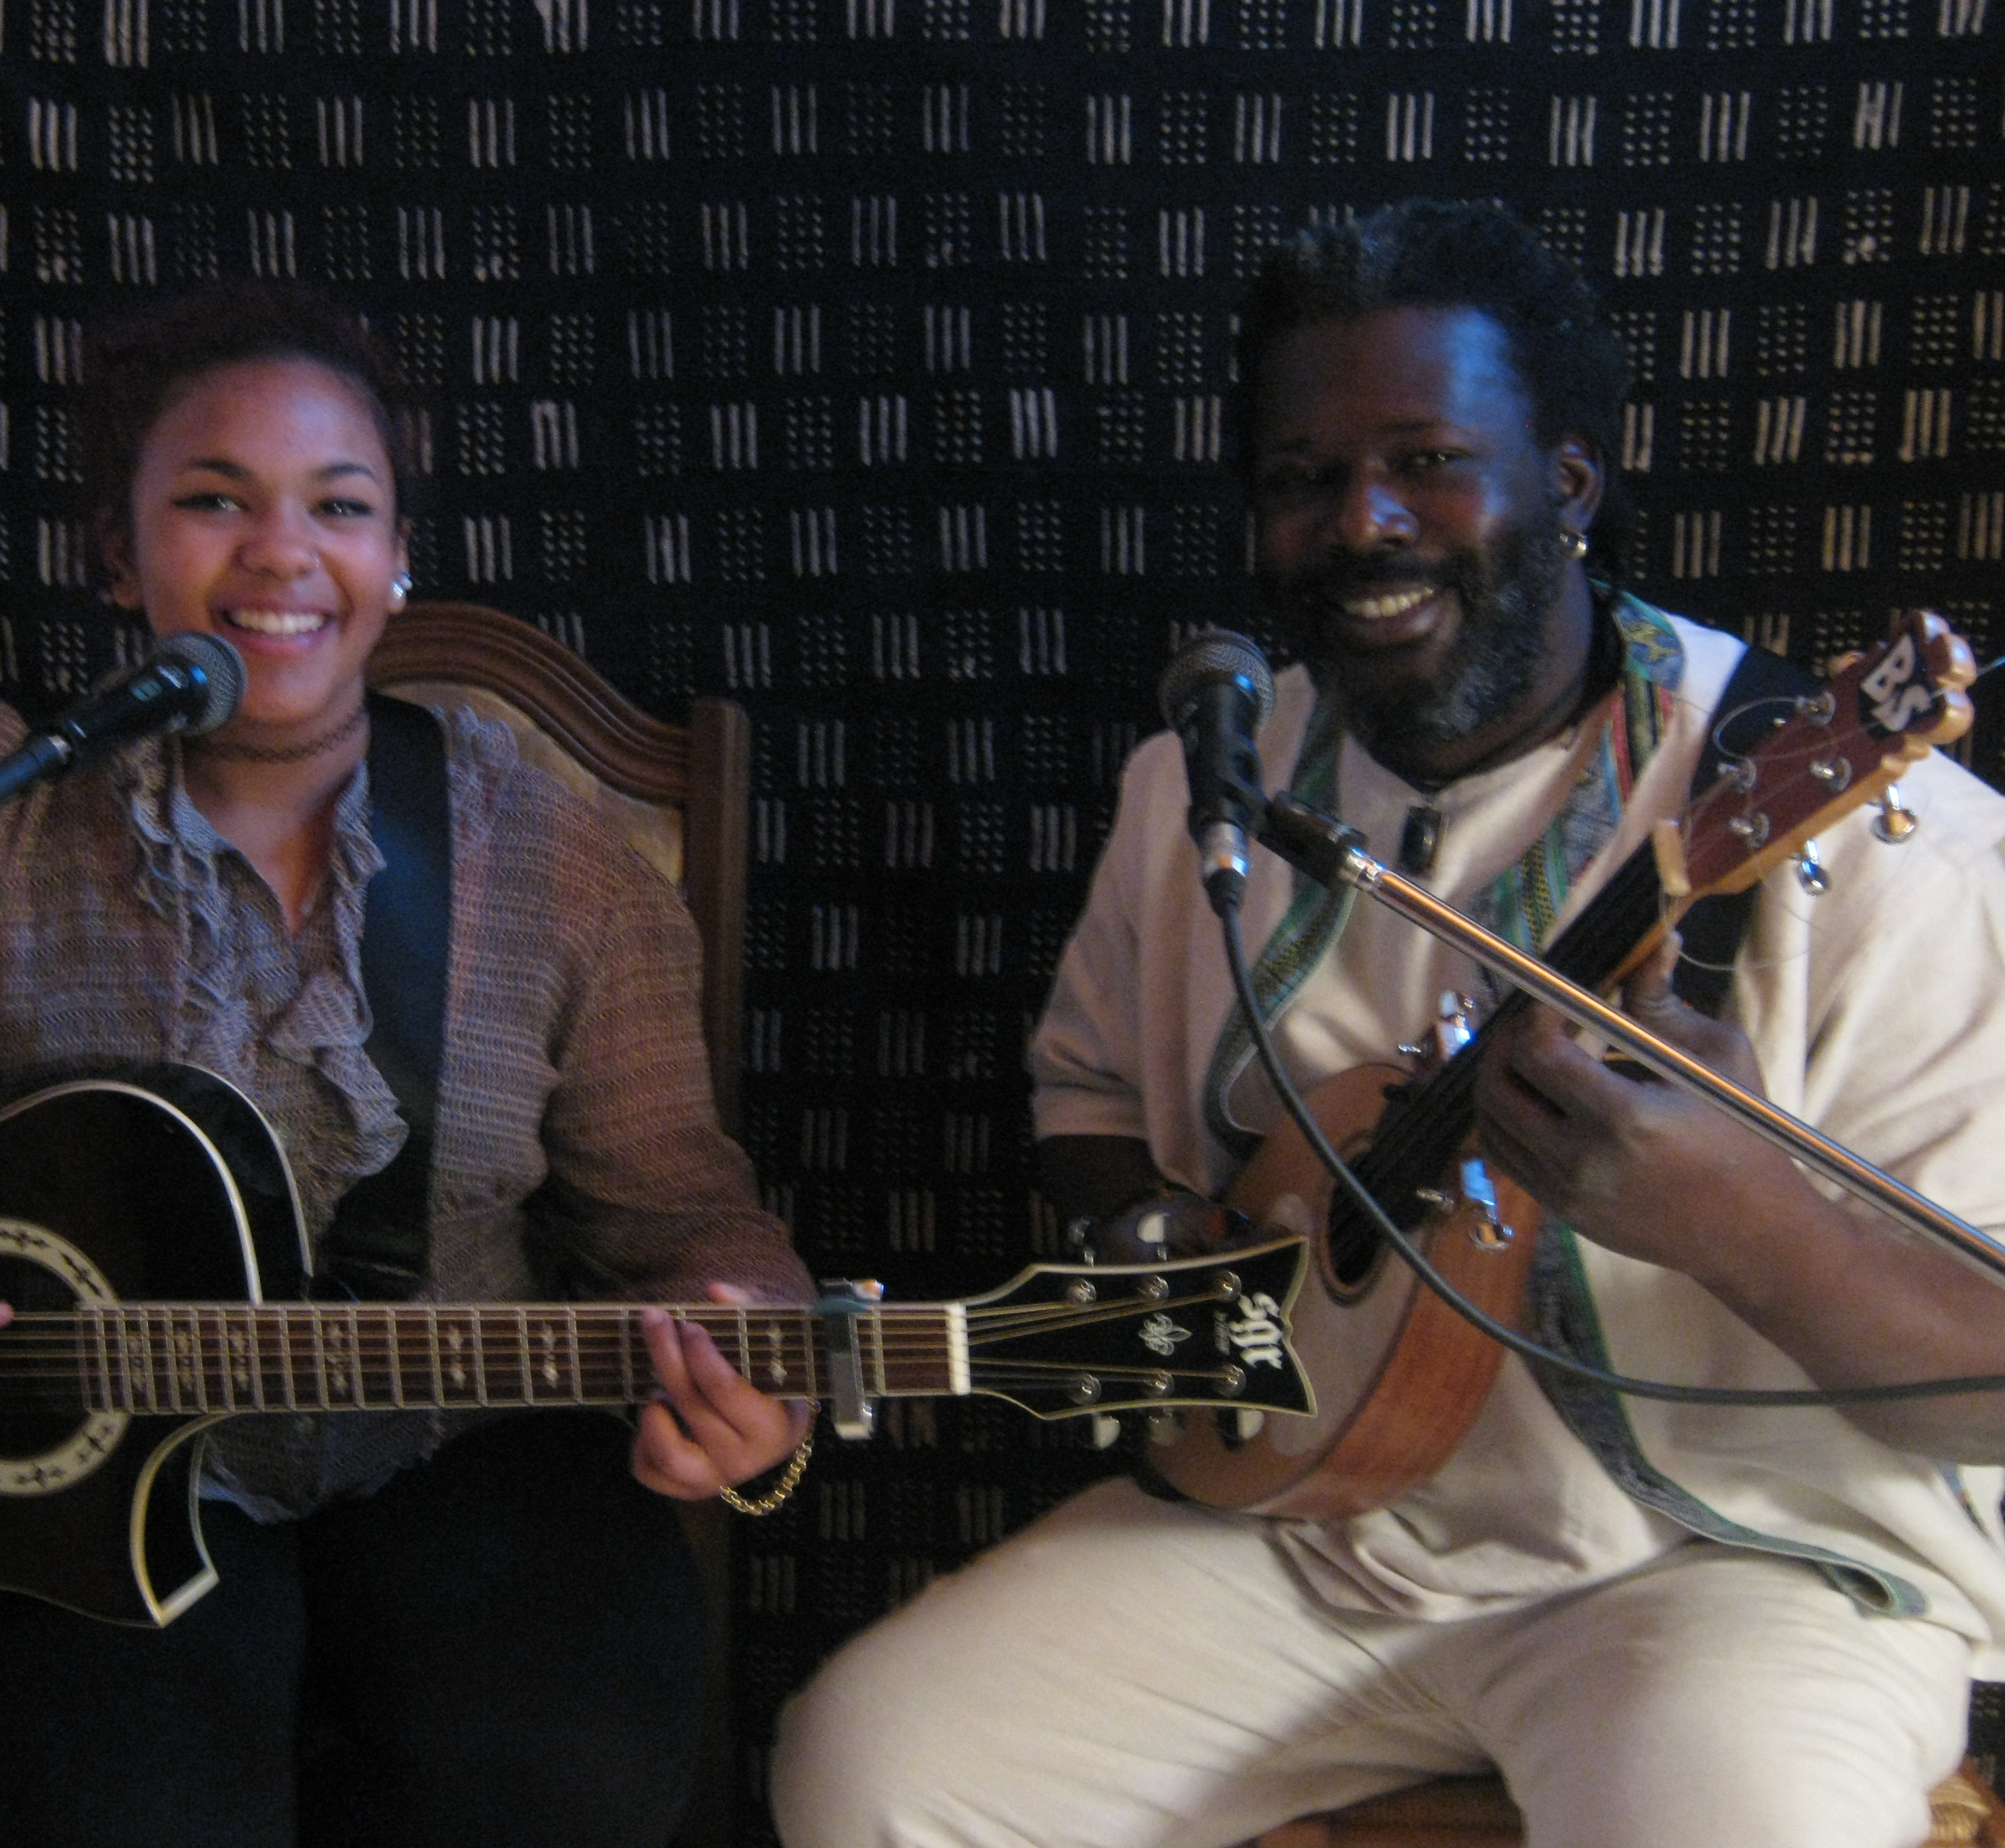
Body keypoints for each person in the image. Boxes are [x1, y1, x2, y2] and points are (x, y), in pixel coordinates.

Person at [772, 200, 2005, 1848]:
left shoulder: (1871, 840)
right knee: (872, 1769)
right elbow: (1085, 1098)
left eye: (1429, 461)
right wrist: (1157, 1244)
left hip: (1737, 1565)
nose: (1362, 521)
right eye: (1303, 478)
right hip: (1303, 1530)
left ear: (1570, 484)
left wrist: (1752, 1221)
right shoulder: (1205, 782)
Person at [0, 279, 813, 1848]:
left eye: (338, 506)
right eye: (214, 500)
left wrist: (757, 1389)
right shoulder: (1, 827)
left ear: (396, 557)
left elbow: (691, 1226)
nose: (280, 552)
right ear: (119, 553)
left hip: (463, 1446)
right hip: (84, 1477)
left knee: (556, 1771)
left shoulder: (562, 866)